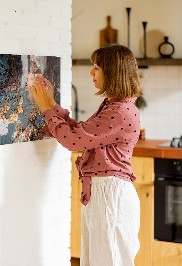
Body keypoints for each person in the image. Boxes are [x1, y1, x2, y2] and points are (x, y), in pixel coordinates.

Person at [30, 44, 142, 266]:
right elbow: (81, 133)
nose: (91, 72)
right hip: (105, 193)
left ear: (113, 72)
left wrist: (45, 108)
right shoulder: (115, 106)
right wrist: (51, 103)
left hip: (110, 195)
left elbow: (73, 141)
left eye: (97, 67)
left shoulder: (119, 111)